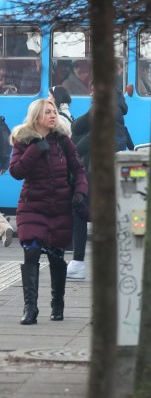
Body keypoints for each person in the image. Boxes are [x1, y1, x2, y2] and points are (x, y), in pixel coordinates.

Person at [9, 99, 87, 324]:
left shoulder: (63, 141)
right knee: (31, 251)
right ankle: (30, 308)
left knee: (56, 256)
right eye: (48, 112)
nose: (53, 116)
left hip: (59, 208)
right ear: (36, 117)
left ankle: (57, 304)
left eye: (54, 112)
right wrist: (34, 149)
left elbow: (78, 169)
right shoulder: (23, 140)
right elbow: (16, 172)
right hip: (32, 206)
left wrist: (80, 192)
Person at [67, 91, 133, 281]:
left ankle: (79, 263)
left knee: (80, 212)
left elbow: (80, 132)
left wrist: (72, 156)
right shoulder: (119, 119)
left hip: (97, 176)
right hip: (111, 177)